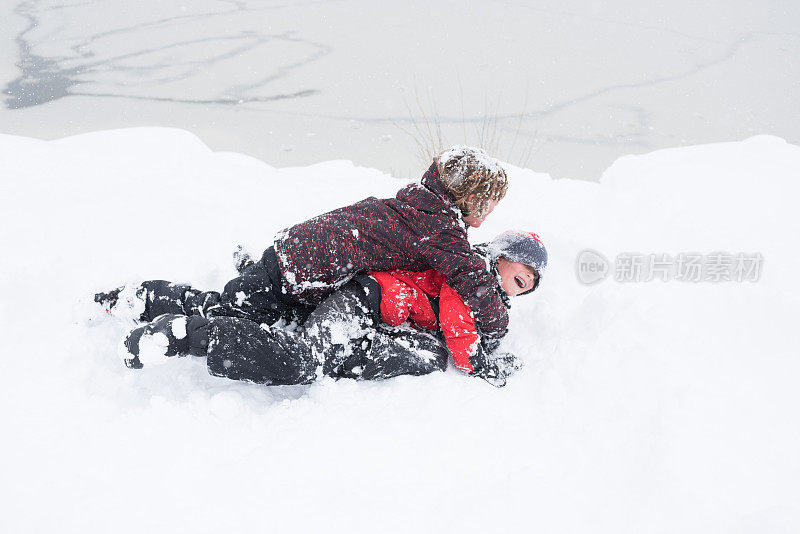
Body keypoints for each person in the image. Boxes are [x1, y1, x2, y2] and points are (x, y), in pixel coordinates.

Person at [97, 145, 512, 348]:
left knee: (239, 305)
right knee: (230, 310)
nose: (492, 212)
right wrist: (495, 331)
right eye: (491, 202)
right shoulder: (440, 228)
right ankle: (141, 302)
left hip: (295, 251)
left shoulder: (420, 204)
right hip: (302, 269)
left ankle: (137, 299)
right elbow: (472, 281)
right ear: (472, 197)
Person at [114, 231, 548, 388]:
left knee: (256, 315)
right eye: (520, 274)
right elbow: (458, 328)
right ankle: (184, 335)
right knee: (304, 360)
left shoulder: (474, 278)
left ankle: (142, 298)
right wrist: (483, 366)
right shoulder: (469, 274)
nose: (519, 287)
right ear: (501, 255)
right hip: (363, 300)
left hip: (365, 301)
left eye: (527, 286)